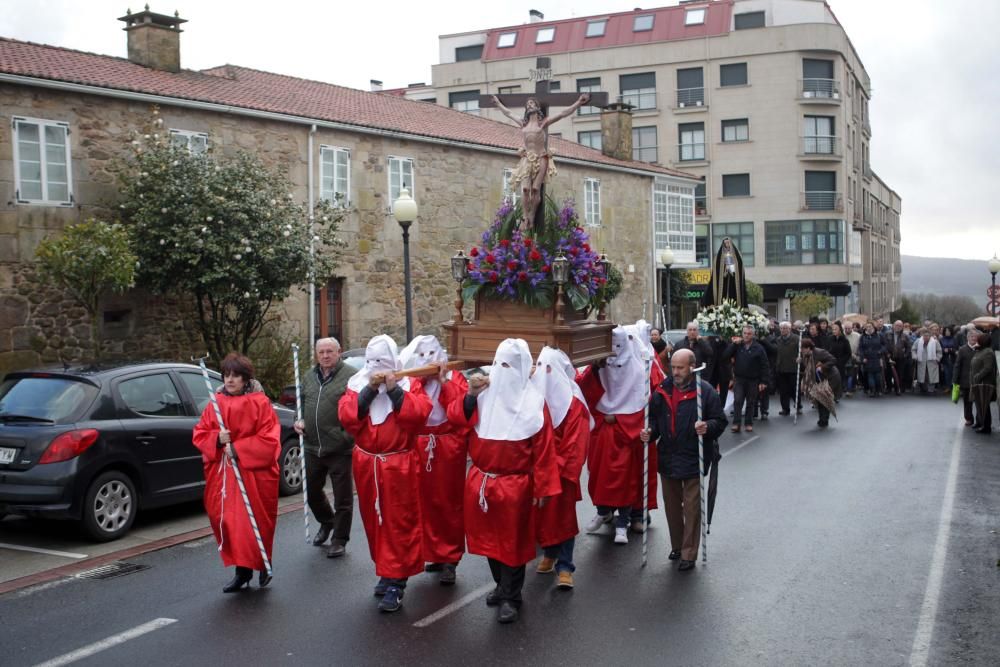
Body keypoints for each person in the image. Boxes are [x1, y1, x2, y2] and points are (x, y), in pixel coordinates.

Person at [447, 338, 561, 624]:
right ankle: (501, 585)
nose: (501, 371)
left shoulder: (535, 404)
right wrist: (471, 395)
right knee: (488, 542)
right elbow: (456, 419)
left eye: (508, 365)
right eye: (498, 364)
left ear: (522, 369)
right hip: (481, 481)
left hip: (515, 486)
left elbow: (544, 450)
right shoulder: (482, 396)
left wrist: (543, 488)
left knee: (511, 544)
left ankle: (512, 596)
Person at [338, 335, 433, 613]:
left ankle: (397, 582)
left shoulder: (409, 383)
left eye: (381, 362)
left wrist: (394, 391)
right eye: (372, 362)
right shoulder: (357, 385)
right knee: (375, 520)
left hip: (398, 465)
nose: (376, 368)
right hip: (368, 464)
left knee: (398, 522)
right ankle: (386, 569)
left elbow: (419, 415)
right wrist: (368, 391)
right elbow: (347, 417)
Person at [192, 353, 281, 593]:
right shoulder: (215, 403)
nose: (230, 380)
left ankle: (262, 562)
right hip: (225, 475)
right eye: (227, 375)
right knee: (229, 522)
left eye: (236, 376)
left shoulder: (260, 403)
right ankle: (241, 571)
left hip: (253, 474)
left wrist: (239, 448)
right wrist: (217, 440)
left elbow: (270, 439)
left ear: (245, 378)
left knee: (254, 522)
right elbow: (200, 433)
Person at [640, 349, 727, 571]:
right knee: (672, 507)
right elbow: (655, 423)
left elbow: (720, 420)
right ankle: (677, 546)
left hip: (693, 458)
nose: (675, 372)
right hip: (668, 457)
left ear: (692, 366)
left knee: (692, 508)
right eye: (673, 367)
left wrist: (707, 427)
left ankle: (689, 553)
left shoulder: (705, 392)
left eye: (680, 368)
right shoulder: (662, 390)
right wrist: (650, 433)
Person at [578, 326, 662, 542]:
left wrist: (620, 419)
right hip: (602, 431)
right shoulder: (598, 367)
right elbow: (583, 393)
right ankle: (603, 511)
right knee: (599, 475)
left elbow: (646, 405)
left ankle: (630, 518)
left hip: (627, 435)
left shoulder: (639, 368)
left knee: (627, 479)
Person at [398, 335, 469, 585]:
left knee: (447, 502)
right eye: (422, 356)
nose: (427, 361)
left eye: (432, 355)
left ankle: (450, 557)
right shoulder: (413, 381)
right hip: (419, 443)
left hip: (446, 444)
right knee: (423, 502)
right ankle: (434, 553)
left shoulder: (454, 376)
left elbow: (460, 409)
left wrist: (443, 381)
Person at [530, 346, 592, 590]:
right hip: (539, 469)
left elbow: (576, 444)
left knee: (563, 517)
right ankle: (549, 552)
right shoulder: (533, 399)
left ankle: (565, 566)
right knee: (542, 516)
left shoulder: (574, 404)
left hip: (561, 472)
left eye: (549, 369)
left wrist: (556, 469)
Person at [294, 337, 356, 558]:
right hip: (312, 446)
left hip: (340, 447)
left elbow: (360, 409)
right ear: (316, 354)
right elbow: (300, 403)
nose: (326, 356)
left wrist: (346, 437)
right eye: (321, 352)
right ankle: (327, 522)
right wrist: (298, 419)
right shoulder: (310, 376)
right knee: (311, 492)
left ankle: (339, 539)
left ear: (339, 352)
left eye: (330, 351)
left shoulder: (351, 376)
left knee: (343, 498)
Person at [492, 94, 591, 230]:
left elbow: (563, 113)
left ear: (537, 107)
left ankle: (532, 216)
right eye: (528, 104)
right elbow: (508, 113)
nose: (529, 105)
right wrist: (497, 103)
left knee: (535, 188)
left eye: (532, 103)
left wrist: (579, 102)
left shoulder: (543, 123)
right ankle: (525, 217)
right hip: (527, 158)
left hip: (541, 157)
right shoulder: (523, 123)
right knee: (526, 189)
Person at [722, 325, 770, 433]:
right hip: (739, 378)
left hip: (753, 379)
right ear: (742, 333)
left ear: (753, 335)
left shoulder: (759, 348)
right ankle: (736, 423)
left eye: (749, 334)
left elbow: (765, 365)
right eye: (745, 333)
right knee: (738, 400)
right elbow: (725, 356)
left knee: (751, 401)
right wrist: (733, 345)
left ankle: (748, 423)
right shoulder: (738, 346)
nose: (746, 335)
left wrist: (764, 381)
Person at [799, 340, 841, 428]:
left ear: (808, 348)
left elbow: (833, 360)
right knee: (819, 398)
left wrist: (823, 367)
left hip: (830, 377)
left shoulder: (820, 352)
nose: (801, 350)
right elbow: (806, 368)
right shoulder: (805, 355)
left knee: (825, 397)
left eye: (802, 348)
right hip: (818, 379)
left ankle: (824, 419)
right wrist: (800, 362)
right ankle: (822, 418)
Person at [701, 237, 748, 307]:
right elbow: (716, 268)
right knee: (722, 295)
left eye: (728, 242)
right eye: (725, 243)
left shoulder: (736, 255)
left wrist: (733, 268)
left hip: (733, 280)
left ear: (731, 243)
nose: (727, 244)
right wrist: (724, 269)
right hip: (723, 281)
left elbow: (740, 266)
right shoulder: (719, 256)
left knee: (733, 295)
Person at [673, 321, 715, 387]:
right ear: (687, 331)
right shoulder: (679, 344)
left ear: (697, 331)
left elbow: (710, 353)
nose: (692, 332)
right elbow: (672, 360)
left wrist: (701, 341)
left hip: (700, 376)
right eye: (690, 330)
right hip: (684, 377)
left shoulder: (702, 343)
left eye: (694, 330)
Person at [970, 332, 997, 434]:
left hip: (985, 383)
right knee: (979, 404)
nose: (977, 340)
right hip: (978, 382)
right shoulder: (981, 350)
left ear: (983, 341)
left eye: (979, 339)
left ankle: (986, 426)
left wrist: (978, 376)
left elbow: (988, 368)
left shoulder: (988, 352)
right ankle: (980, 423)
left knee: (985, 405)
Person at [774, 321, 801, 415]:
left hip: (792, 367)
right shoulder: (777, 340)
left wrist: (800, 357)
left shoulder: (797, 339)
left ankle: (798, 406)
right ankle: (785, 409)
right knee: (783, 390)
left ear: (789, 329)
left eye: (785, 328)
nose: (782, 330)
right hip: (781, 368)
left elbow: (802, 350)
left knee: (794, 389)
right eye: (781, 328)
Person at [954, 329, 979, 427]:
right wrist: (955, 380)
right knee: (967, 401)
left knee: (978, 401)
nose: (974, 338)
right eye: (972, 336)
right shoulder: (962, 349)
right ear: (968, 338)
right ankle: (969, 418)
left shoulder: (980, 348)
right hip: (965, 379)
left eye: (975, 337)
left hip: (977, 379)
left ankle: (979, 420)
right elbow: (957, 365)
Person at [859, 322, 886, 397]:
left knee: (877, 376)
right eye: (867, 327)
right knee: (870, 375)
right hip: (867, 359)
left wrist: (880, 351)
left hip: (877, 358)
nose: (868, 328)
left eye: (870, 326)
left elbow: (884, 345)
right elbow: (860, 348)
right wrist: (863, 357)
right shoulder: (863, 336)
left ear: (873, 327)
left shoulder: (879, 335)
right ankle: (872, 390)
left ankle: (878, 389)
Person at [912, 328, 943, 394]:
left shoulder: (935, 342)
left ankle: (931, 389)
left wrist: (938, 358)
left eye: (927, 336)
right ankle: (924, 388)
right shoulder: (918, 341)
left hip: (932, 362)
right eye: (925, 336)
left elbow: (939, 351)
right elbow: (913, 349)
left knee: (931, 376)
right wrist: (915, 356)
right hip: (921, 361)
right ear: (922, 335)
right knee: (923, 376)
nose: (926, 337)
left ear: (930, 336)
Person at [886, 321, 913, 395]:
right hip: (889, 357)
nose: (898, 327)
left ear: (902, 327)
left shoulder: (905, 336)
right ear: (893, 326)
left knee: (899, 374)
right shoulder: (887, 334)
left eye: (900, 326)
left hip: (900, 358)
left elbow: (908, 347)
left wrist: (905, 355)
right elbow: (884, 345)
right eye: (896, 325)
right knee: (888, 374)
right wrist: (887, 355)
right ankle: (888, 388)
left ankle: (897, 388)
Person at [827, 322, 852, 397]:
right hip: (831, 362)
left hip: (840, 363)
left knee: (839, 379)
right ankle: (831, 394)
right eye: (833, 329)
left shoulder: (844, 340)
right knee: (831, 379)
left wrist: (842, 361)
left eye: (836, 329)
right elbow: (827, 350)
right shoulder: (830, 339)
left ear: (840, 330)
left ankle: (837, 395)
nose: (834, 331)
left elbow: (848, 353)